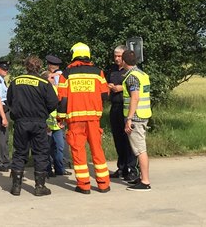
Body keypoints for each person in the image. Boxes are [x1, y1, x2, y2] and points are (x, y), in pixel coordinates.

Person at [57, 42, 111, 194]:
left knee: (78, 150)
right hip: (94, 118)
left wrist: (60, 118)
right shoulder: (98, 72)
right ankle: (103, 184)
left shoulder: (66, 74)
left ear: (73, 54)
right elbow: (105, 95)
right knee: (97, 149)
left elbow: (62, 99)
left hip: (75, 119)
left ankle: (84, 185)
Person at [7, 56, 59, 196]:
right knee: (40, 152)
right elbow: (53, 102)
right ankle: (39, 186)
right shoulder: (43, 82)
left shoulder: (16, 81)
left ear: (26, 66)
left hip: (21, 122)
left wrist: (16, 114)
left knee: (19, 152)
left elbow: (9, 100)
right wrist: (44, 113)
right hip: (38, 122)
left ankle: (16, 187)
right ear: (39, 67)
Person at [122, 49, 152, 191]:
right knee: (140, 148)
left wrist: (129, 118)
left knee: (140, 150)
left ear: (123, 61)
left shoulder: (132, 77)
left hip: (136, 117)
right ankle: (141, 178)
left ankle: (145, 181)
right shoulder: (142, 74)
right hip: (144, 114)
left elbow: (135, 97)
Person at [107, 45, 138, 181]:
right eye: (115, 56)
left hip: (126, 108)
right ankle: (122, 167)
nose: (117, 59)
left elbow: (135, 90)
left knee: (128, 140)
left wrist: (121, 87)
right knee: (118, 139)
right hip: (115, 106)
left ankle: (132, 169)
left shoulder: (130, 72)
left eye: (119, 56)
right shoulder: (112, 70)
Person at [43, 55, 70, 177]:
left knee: (60, 146)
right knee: (47, 147)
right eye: (52, 77)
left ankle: (60, 168)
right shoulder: (43, 89)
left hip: (57, 121)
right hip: (48, 121)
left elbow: (62, 102)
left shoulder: (58, 87)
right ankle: (48, 169)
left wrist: (62, 119)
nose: (54, 79)